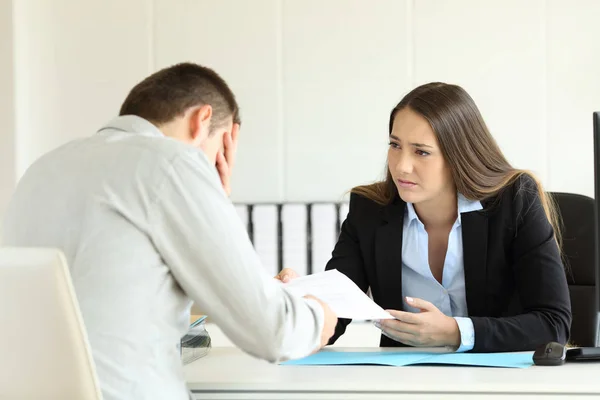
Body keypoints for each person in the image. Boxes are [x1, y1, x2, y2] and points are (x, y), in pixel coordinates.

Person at [2, 62, 337, 399]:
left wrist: (253, 288)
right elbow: (274, 333)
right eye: (222, 148)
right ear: (201, 119)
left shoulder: (42, 170)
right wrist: (317, 314)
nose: (221, 163)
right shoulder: (171, 163)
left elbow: (126, 332)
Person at [277, 82, 571, 353]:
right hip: (405, 382)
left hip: (499, 383)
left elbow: (553, 324)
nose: (402, 166)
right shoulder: (369, 209)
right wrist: (299, 307)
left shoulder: (515, 199)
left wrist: (457, 332)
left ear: (460, 156)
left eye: (421, 152)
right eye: (395, 146)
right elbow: (336, 313)